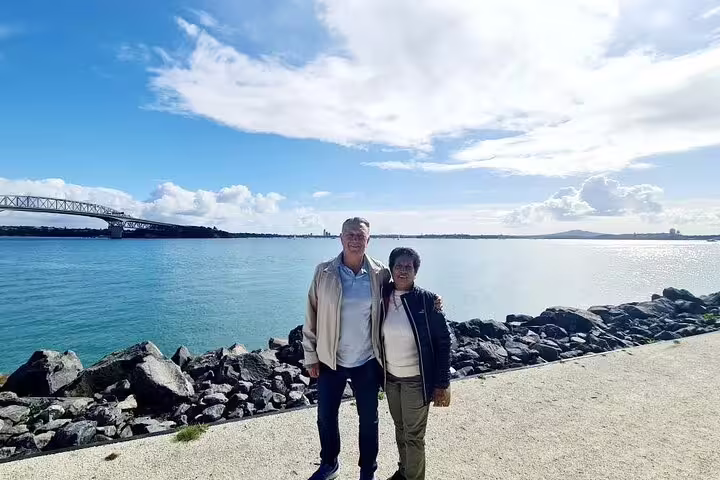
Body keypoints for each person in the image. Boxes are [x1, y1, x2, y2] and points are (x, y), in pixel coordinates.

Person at [303, 217, 391, 480]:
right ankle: (329, 464)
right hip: (331, 360)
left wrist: (433, 300)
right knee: (326, 417)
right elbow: (311, 314)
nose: (354, 240)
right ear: (340, 238)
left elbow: (402, 295)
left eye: (360, 236)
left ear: (368, 240)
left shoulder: (380, 273)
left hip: (367, 360)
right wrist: (311, 356)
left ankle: (368, 471)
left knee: (369, 420)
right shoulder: (324, 272)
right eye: (349, 235)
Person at [379, 247, 452, 480]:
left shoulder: (427, 301)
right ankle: (404, 471)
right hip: (390, 379)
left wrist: (442, 383)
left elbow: (444, 342)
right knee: (400, 431)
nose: (402, 270)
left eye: (408, 267)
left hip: (416, 381)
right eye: (398, 266)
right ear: (391, 269)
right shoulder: (382, 295)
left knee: (414, 436)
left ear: (415, 271)